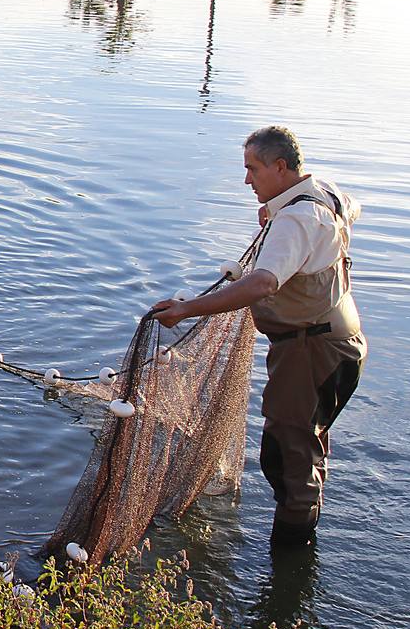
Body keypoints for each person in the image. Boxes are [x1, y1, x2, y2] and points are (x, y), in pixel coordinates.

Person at [153, 126, 367, 548]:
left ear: (280, 166)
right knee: (302, 443)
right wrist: (276, 212)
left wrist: (186, 309)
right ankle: (302, 522)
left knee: (286, 457)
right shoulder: (324, 192)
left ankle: (290, 560)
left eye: (253, 169)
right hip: (342, 343)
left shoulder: (297, 220)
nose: (247, 180)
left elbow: (261, 285)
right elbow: (352, 209)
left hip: (312, 351)